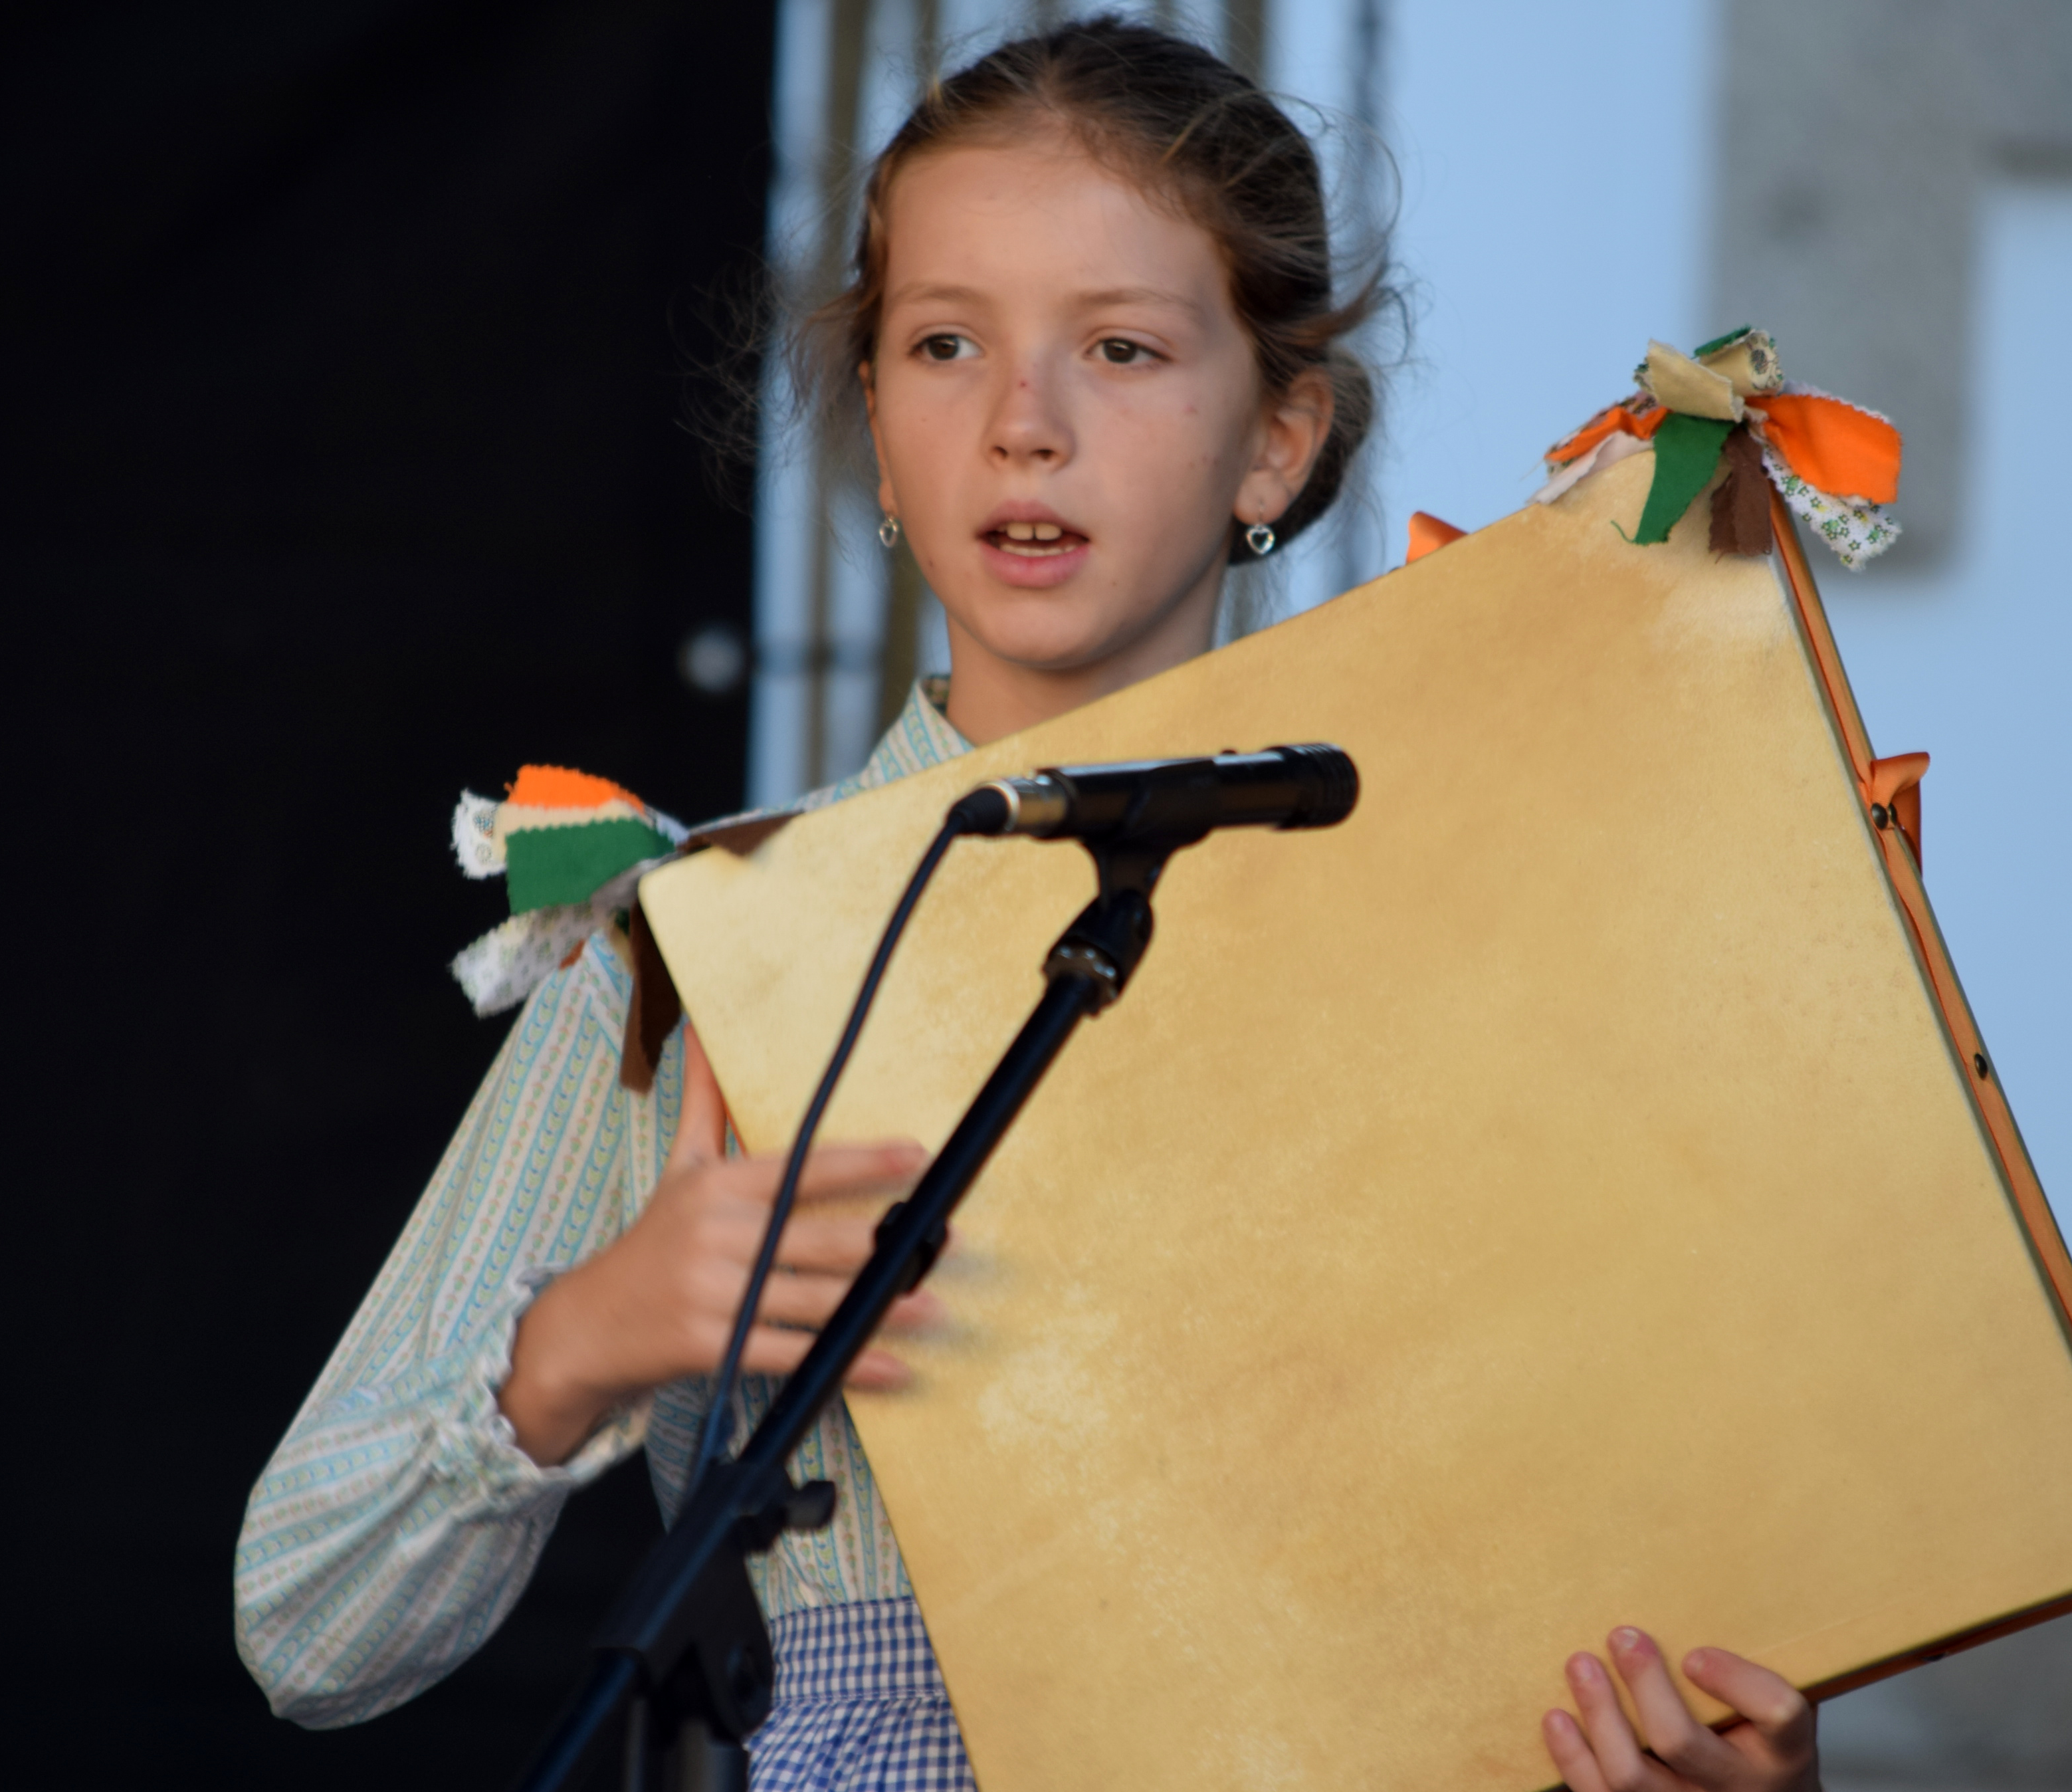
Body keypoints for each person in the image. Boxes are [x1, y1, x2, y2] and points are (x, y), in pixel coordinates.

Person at [235, 19, 1823, 1792]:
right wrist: (596, 1332)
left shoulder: (1468, 931)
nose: (1022, 425)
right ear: (876, 422)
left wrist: (1718, 1745)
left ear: (1277, 440)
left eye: (1122, 348)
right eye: (944, 344)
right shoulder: (708, 942)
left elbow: (1637, 1533)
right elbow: (307, 1630)